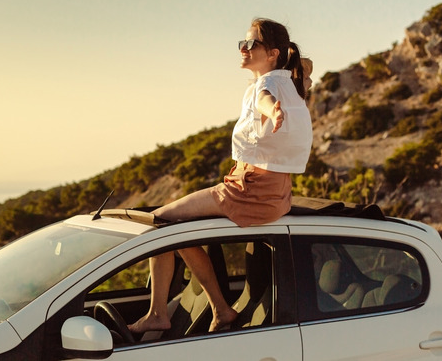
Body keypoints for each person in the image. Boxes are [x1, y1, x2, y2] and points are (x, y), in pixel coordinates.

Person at [128, 18, 313, 334]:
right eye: (242, 43)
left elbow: (266, 101)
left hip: (249, 190)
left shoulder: (267, 87)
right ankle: (218, 309)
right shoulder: (293, 82)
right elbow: (305, 65)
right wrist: (292, 61)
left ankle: (164, 312)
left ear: (271, 53)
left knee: (159, 220)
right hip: (275, 193)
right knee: (179, 224)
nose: (243, 49)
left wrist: (275, 111)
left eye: (251, 44)